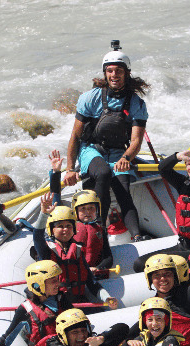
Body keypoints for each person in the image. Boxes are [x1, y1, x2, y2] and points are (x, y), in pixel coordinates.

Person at [61, 41, 150, 242]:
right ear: (105, 73)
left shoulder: (136, 103)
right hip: (91, 150)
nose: (113, 75)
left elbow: (136, 140)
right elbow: (75, 136)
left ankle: (136, 235)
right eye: (109, 71)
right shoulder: (89, 98)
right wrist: (69, 168)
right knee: (102, 172)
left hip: (119, 152)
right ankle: (98, 228)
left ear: (126, 73)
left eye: (118, 70)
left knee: (123, 188)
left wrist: (127, 158)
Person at [132, 144, 190, 272]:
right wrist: (177, 156)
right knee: (139, 263)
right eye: (188, 164)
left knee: (144, 265)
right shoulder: (184, 184)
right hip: (183, 245)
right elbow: (163, 169)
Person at [31, 193, 118, 311]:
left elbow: (91, 282)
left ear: (74, 229)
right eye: (60, 226)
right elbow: (37, 237)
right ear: (52, 230)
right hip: (56, 304)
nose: (65, 229)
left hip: (78, 300)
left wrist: (107, 298)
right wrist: (44, 214)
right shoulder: (46, 251)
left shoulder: (77, 251)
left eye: (68, 226)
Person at [48, 150, 113, 275]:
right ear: (76, 211)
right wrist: (56, 173)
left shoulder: (100, 228)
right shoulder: (68, 228)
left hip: (94, 274)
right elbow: (55, 197)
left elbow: (108, 258)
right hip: (73, 274)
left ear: (97, 210)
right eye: (83, 209)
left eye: (91, 208)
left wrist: (98, 268)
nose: (87, 212)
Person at [114, 297, 183, 346]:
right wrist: (129, 342)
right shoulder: (143, 339)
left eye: (159, 319)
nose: (154, 324)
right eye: (150, 320)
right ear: (145, 323)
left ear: (166, 322)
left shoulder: (169, 339)